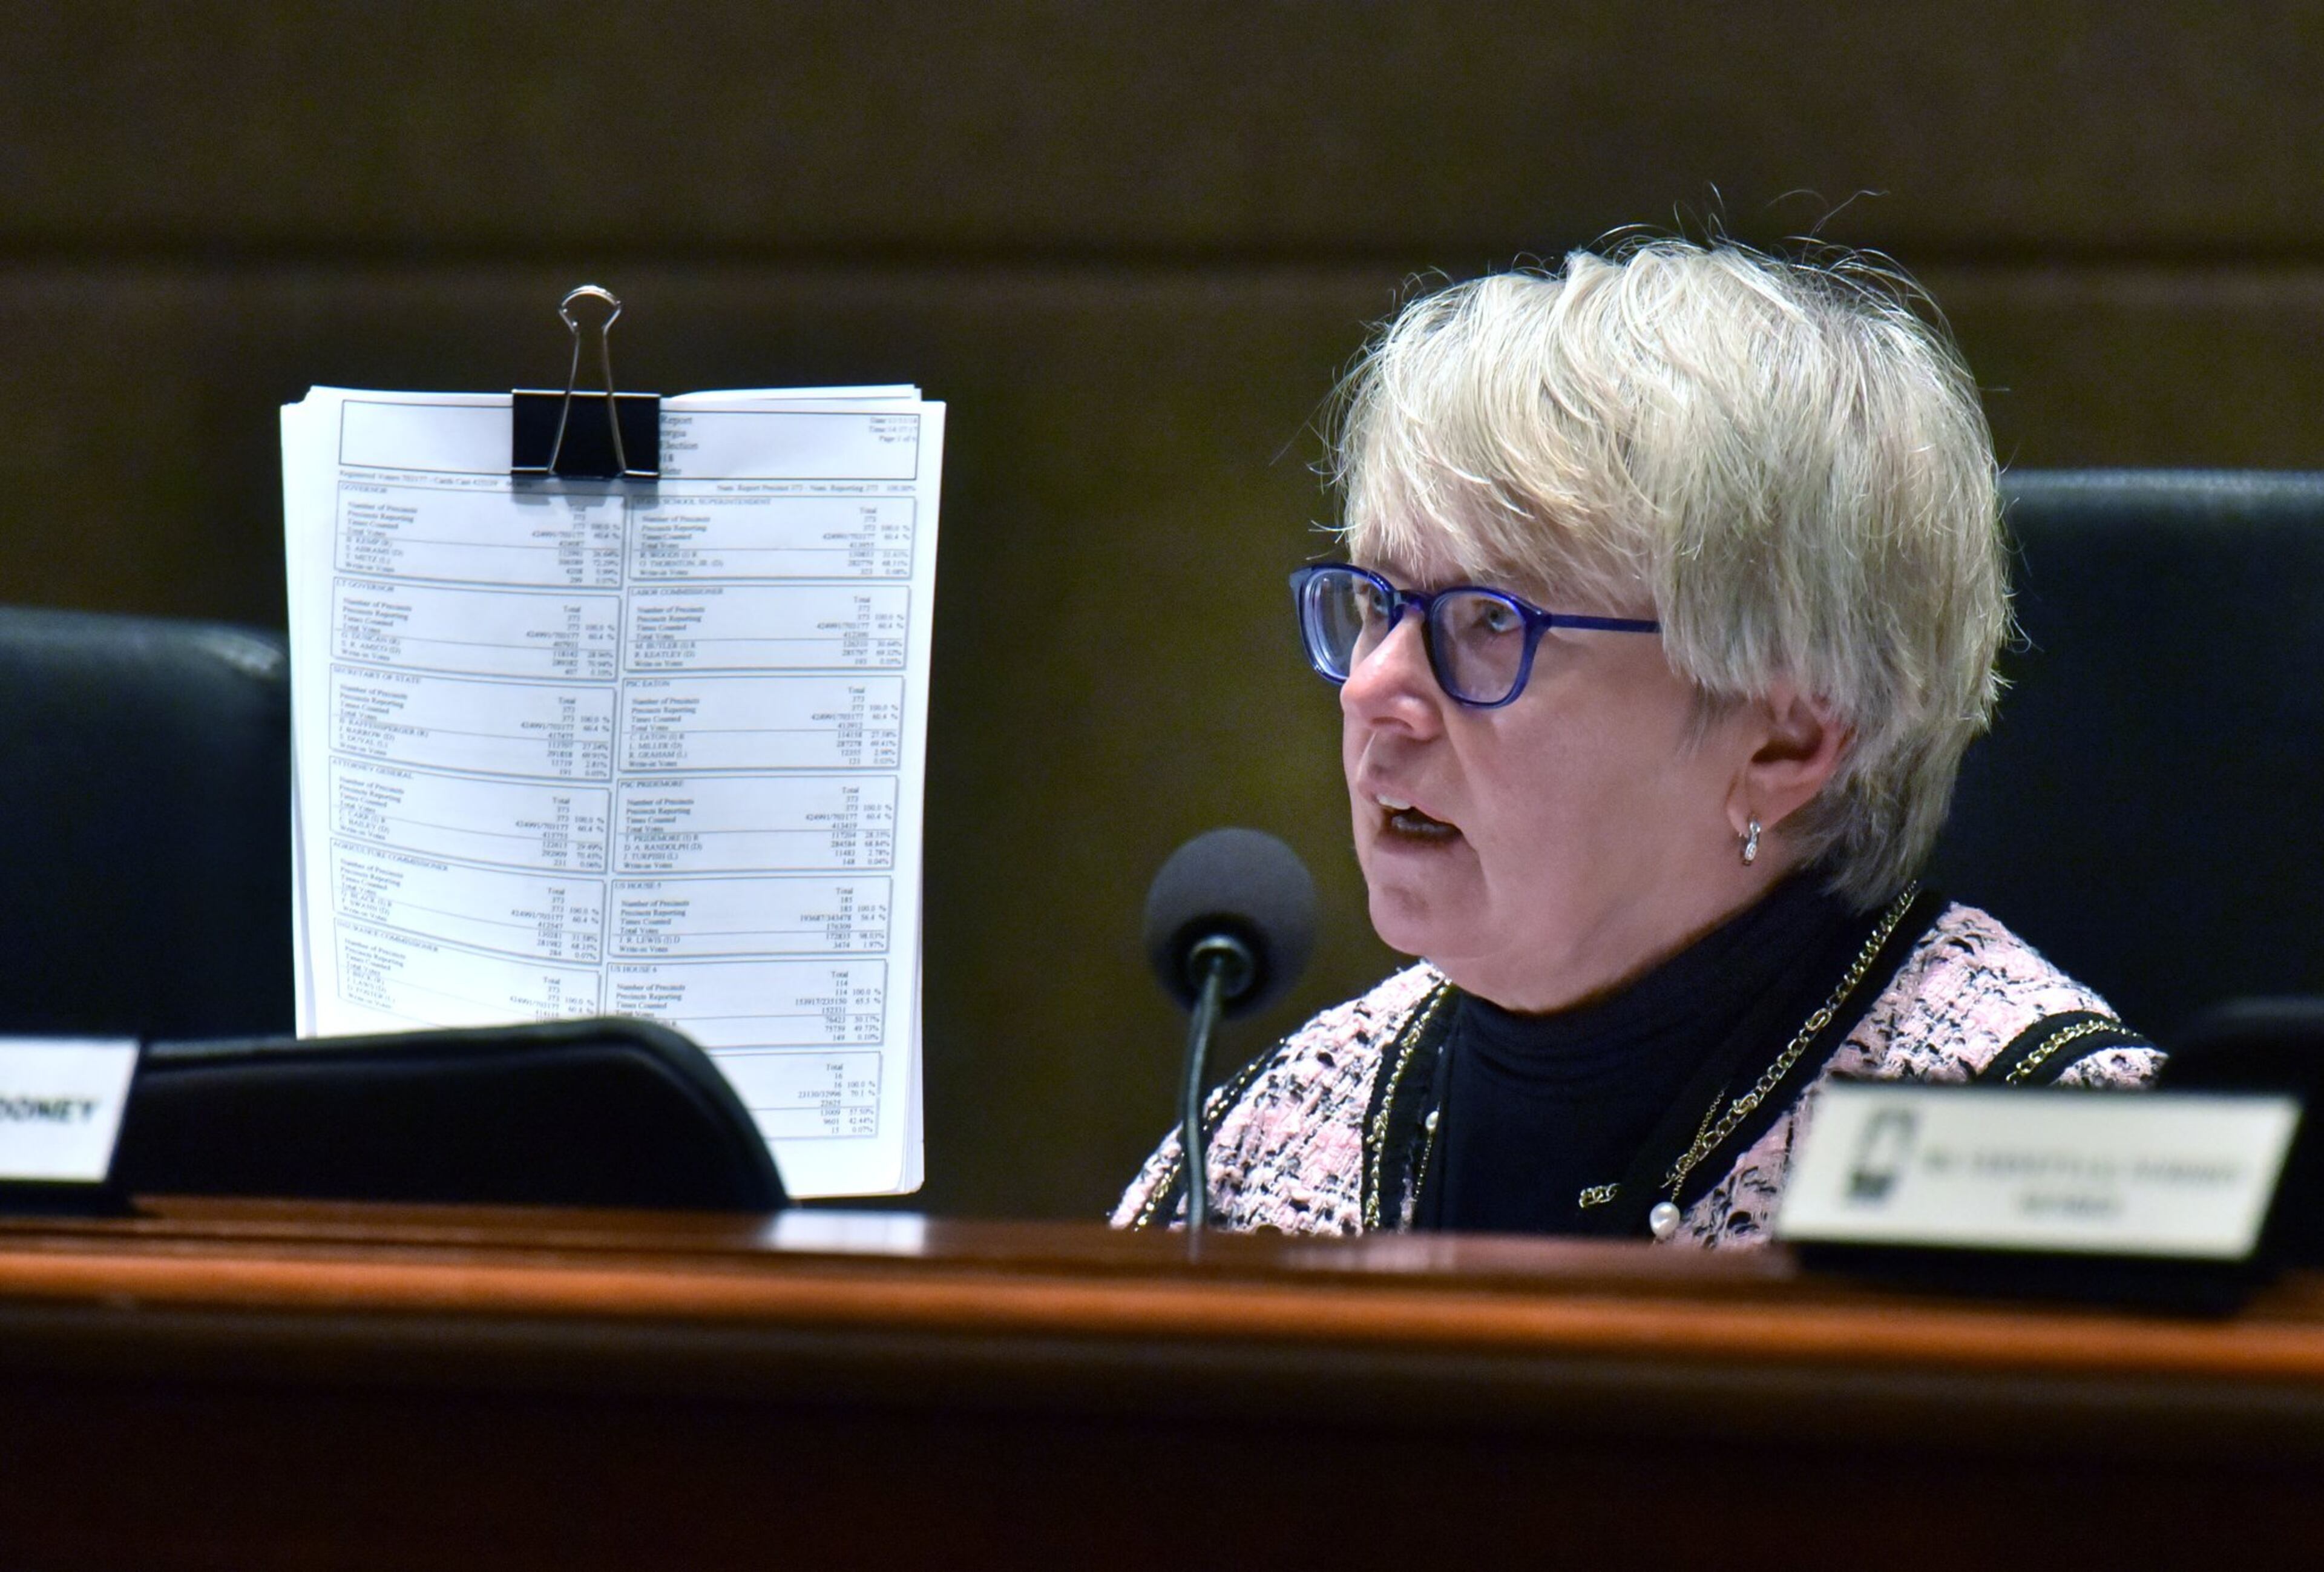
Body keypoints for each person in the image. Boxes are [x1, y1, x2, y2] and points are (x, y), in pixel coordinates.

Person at [1114, 238, 2160, 1246]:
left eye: (1487, 621)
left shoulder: (2051, 1163)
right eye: (1377, 603)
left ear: (1783, 742)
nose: (1377, 686)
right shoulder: (1277, 1141)